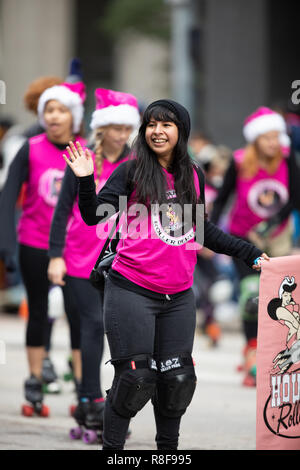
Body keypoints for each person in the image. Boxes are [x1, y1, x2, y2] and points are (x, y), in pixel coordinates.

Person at [64, 99, 268, 450]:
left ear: (181, 131)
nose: (157, 131)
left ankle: (167, 452)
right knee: (134, 379)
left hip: (179, 296)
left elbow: (202, 231)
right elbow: (94, 215)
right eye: (152, 125)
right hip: (131, 289)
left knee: (176, 381)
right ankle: (113, 452)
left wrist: (248, 253)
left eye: (167, 124)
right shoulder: (131, 171)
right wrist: (85, 180)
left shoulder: (193, 174)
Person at [47, 88, 140, 436]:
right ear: (101, 128)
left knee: (115, 329)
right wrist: (55, 256)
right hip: (78, 258)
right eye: (113, 127)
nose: (119, 134)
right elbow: (61, 212)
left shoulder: (135, 165)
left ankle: (111, 397)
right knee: (90, 324)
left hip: (118, 260)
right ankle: (89, 398)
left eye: (124, 128)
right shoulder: (83, 158)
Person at [0, 80, 86, 415]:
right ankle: (35, 380)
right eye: (48, 110)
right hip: (34, 242)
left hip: (75, 247)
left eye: (61, 110)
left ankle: (84, 387)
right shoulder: (30, 147)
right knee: (37, 311)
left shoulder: (84, 149)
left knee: (79, 315)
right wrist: (6, 246)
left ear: (74, 116)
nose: (54, 116)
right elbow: (7, 198)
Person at [211, 106, 300, 386]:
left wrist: (272, 223)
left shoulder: (288, 160)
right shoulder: (239, 162)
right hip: (243, 238)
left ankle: (273, 355)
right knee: (252, 294)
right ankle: (251, 352)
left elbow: (295, 198)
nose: (274, 142)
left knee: (280, 299)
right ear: (255, 139)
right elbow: (223, 198)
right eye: (267, 137)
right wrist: (207, 234)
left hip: (278, 238)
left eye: (277, 136)